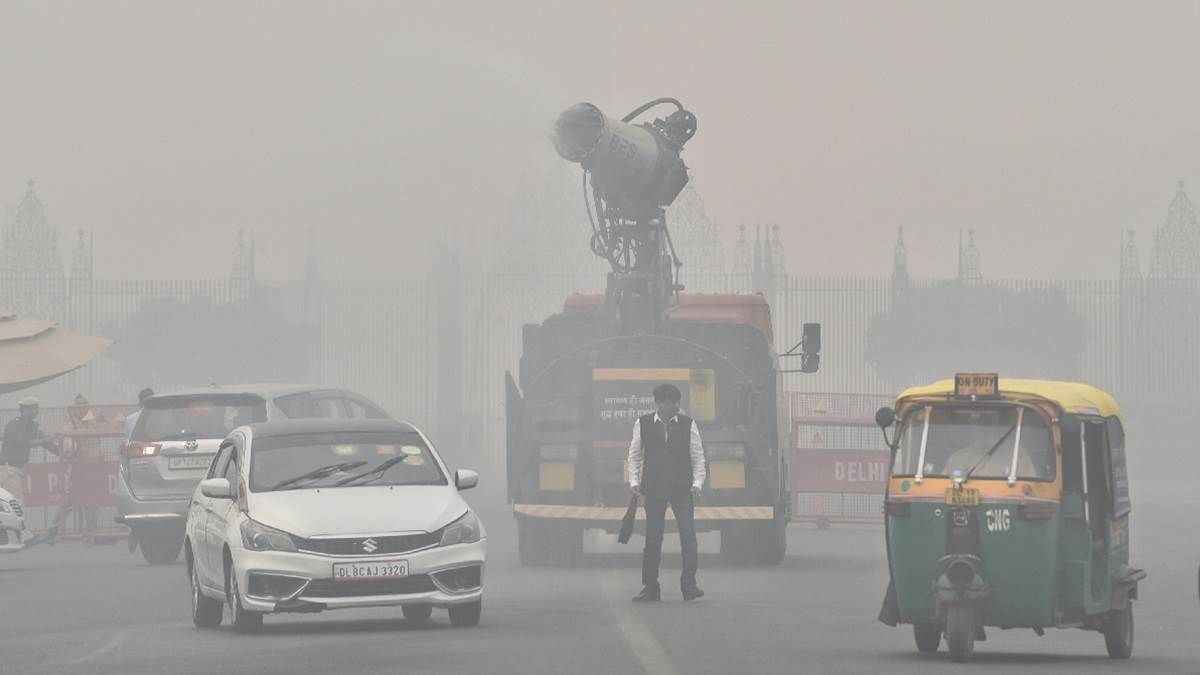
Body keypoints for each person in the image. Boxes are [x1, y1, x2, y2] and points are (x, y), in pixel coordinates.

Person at [627, 383, 707, 602]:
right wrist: (634, 481)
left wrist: (698, 483)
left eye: (677, 401)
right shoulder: (642, 424)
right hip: (653, 489)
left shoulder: (688, 425)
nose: (676, 406)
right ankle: (651, 588)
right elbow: (634, 455)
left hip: (682, 489)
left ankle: (689, 586)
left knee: (689, 538)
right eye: (671, 401)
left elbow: (698, 456)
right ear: (659, 403)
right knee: (652, 540)